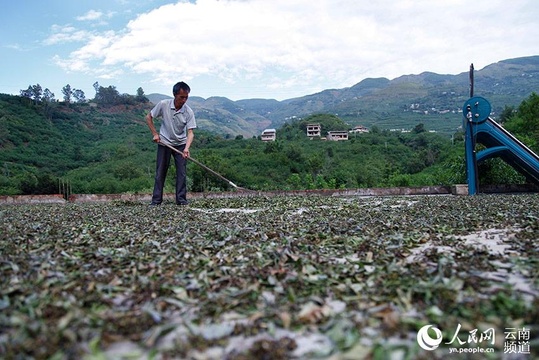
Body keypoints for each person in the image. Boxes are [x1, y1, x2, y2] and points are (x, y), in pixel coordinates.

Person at [145, 81, 196, 205]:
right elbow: (148, 117)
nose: (184, 100)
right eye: (181, 97)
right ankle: (156, 201)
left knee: (182, 173)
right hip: (164, 142)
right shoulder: (163, 104)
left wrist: (187, 148)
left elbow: (190, 133)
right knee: (160, 172)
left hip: (181, 144)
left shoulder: (188, 112)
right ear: (174, 94)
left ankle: (181, 200)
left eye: (186, 97)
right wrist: (155, 134)